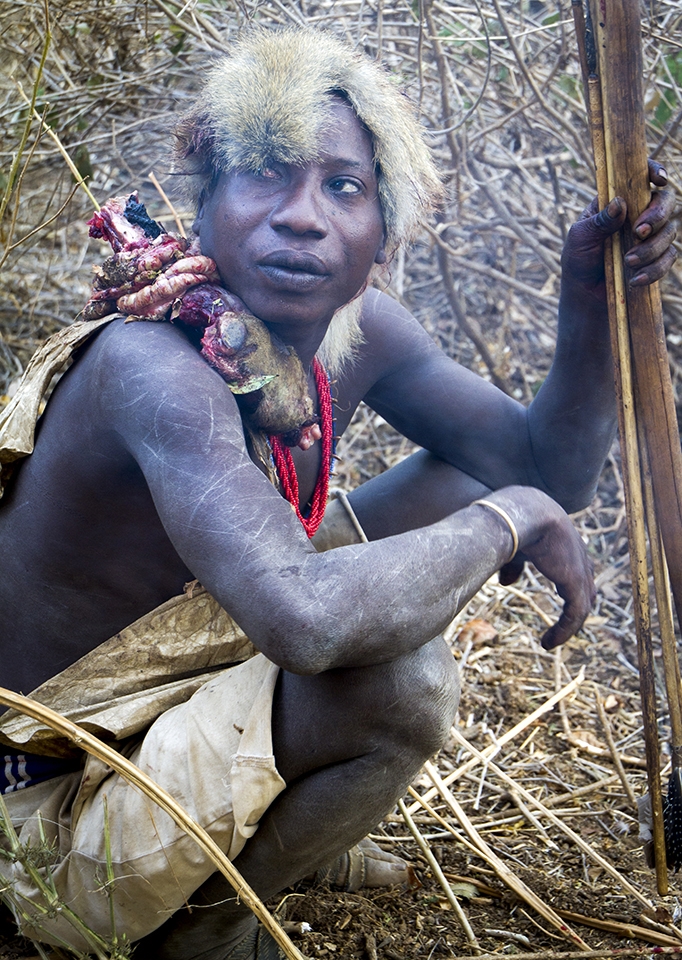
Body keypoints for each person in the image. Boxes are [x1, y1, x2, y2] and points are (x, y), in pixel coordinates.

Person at [0, 26, 676, 960]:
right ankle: (204, 931)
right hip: (56, 811)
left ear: (382, 232)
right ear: (204, 205)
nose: (303, 217)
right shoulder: (151, 367)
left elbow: (539, 467)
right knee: (401, 683)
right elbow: (307, 623)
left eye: (344, 188)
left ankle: (261, 833)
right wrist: (508, 520)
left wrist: (587, 296)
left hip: (185, 697)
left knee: (469, 478)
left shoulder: (353, 332)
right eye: (267, 174)